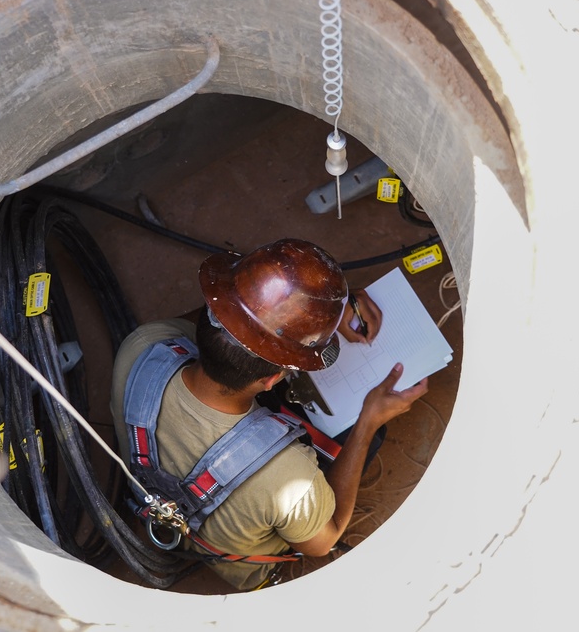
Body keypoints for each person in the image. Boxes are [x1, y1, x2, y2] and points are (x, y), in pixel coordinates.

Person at [109, 239, 429, 590]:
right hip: (243, 548)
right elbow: (325, 540)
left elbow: (222, 322)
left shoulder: (145, 346)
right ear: (274, 378)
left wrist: (307, 318)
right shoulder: (288, 480)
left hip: (161, 499)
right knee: (360, 433)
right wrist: (368, 421)